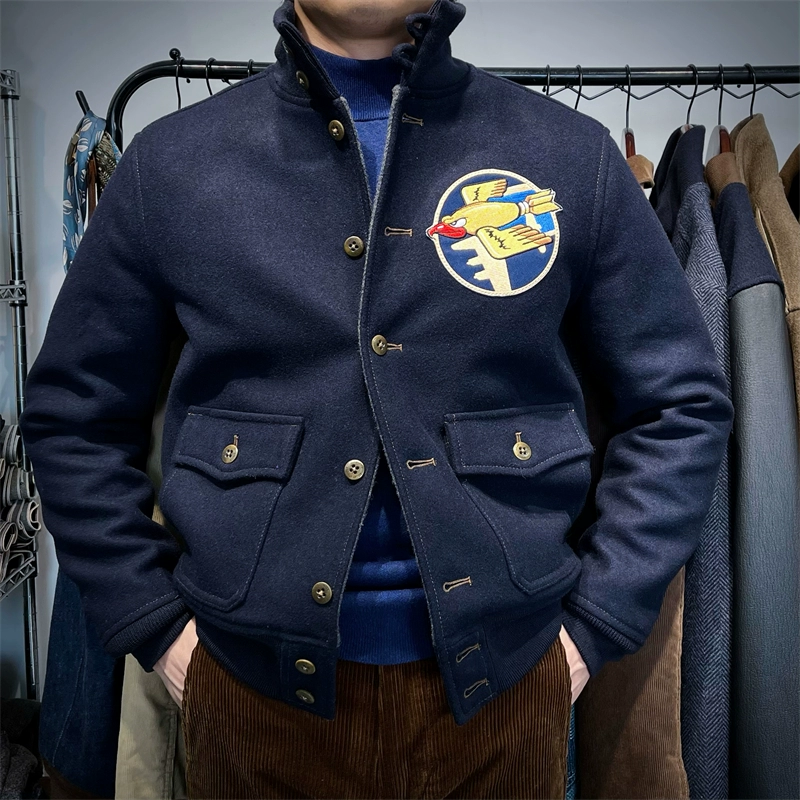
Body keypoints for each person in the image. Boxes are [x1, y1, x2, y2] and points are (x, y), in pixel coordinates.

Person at [19, 0, 734, 797]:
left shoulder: (569, 156)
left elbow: (681, 407)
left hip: (507, 697)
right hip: (251, 700)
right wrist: (157, 628)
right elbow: (71, 417)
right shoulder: (171, 165)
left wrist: (593, 627)